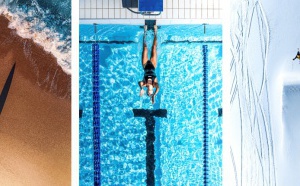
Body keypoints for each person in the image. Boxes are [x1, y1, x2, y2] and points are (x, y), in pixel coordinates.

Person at [138, 25, 159, 104]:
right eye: (151, 94)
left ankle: (145, 32)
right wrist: (154, 95)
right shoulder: (154, 84)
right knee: (154, 47)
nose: (149, 93)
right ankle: (155, 32)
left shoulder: (145, 84)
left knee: (145, 48)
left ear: (147, 91)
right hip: (153, 65)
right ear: (152, 91)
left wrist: (141, 89)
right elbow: (158, 88)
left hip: (145, 65)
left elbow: (139, 83)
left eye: (148, 94)